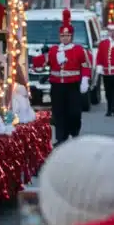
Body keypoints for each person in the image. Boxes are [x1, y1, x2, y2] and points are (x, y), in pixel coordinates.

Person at [46, 10, 91, 145]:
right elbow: (44, 62)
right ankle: (61, 137)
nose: (65, 38)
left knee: (74, 112)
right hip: (57, 85)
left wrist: (85, 80)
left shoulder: (79, 50)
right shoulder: (54, 50)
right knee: (59, 112)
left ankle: (74, 132)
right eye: (62, 35)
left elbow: (85, 66)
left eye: (67, 35)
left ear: (71, 36)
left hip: (73, 85)